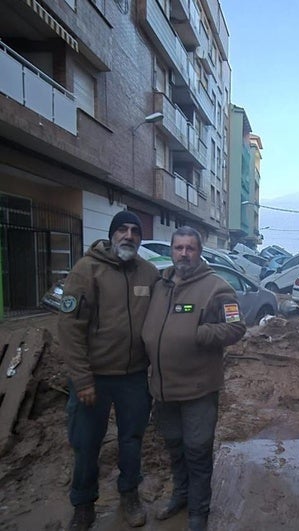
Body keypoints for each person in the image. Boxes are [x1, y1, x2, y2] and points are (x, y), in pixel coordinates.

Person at [59, 210, 159, 530]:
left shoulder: (149, 273)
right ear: (112, 234)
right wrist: (82, 378)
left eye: (135, 231)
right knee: (87, 443)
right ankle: (84, 504)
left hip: (133, 378)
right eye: (123, 230)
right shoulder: (87, 270)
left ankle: (129, 494)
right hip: (95, 378)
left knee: (131, 440)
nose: (129, 236)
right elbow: (70, 329)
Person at [142, 226, 246, 531]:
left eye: (190, 248)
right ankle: (181, 496)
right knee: (175, 449)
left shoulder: (217, 287)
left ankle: (198, 512)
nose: (184, 254)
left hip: (198, 389)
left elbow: (236, 327)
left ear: (199, 252)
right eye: (178, 248)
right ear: (171, 251)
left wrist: (197, 333)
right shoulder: (160, 286)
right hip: (163, 389)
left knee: (197, 452)